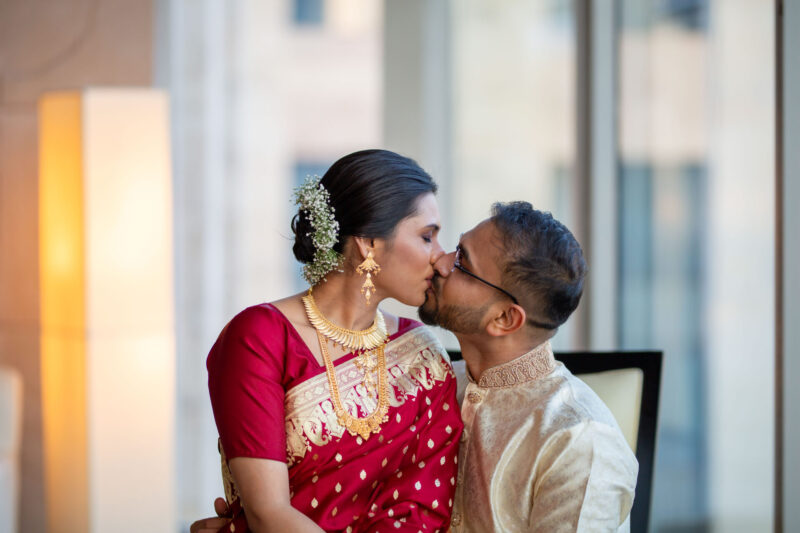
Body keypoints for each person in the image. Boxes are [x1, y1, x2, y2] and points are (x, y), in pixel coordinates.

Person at [204, 149, 463, 533]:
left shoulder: (422, 356)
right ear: (369, 243)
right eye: (427, 237)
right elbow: (267, 514)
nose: (441, 259)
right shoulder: (260, 338)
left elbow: (421, 513)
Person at [418, 201, 638, 532]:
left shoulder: (579, 441)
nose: (440, 260)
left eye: (462, 262)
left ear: (505, 318)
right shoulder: (429, 383)